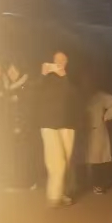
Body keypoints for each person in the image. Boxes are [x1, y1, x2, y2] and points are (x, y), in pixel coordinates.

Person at [37, 51, 81, 208]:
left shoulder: (71, 77)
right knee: (56, 162)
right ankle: (54, 195)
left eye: (62, 60)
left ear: (67, 61)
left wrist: (64, 77)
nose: (59, 62)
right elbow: (35, 94)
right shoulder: (47, 78)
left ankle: (63, 193)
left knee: (66, 162)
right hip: (49, 124)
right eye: (56, 60)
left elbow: (76, 97)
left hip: (68, 124)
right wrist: (42, 75)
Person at [2, 62, 37, 192]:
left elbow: (27, 109)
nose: (12, 74)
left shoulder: (25, 86)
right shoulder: (9, 88)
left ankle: (26, 182)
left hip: (25, 129)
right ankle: (21, 181)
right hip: (14, 129)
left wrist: (21, 126)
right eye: (9, 71)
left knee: (24, 156)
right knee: (17, 156)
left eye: (14, 71)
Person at [85, 88, 112, 195]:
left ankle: (97, 184)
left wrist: (106, 117)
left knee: (97, 158)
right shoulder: (80, 95)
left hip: (96, 131)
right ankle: (86, 183)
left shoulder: (99, 96)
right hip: (82, 131)